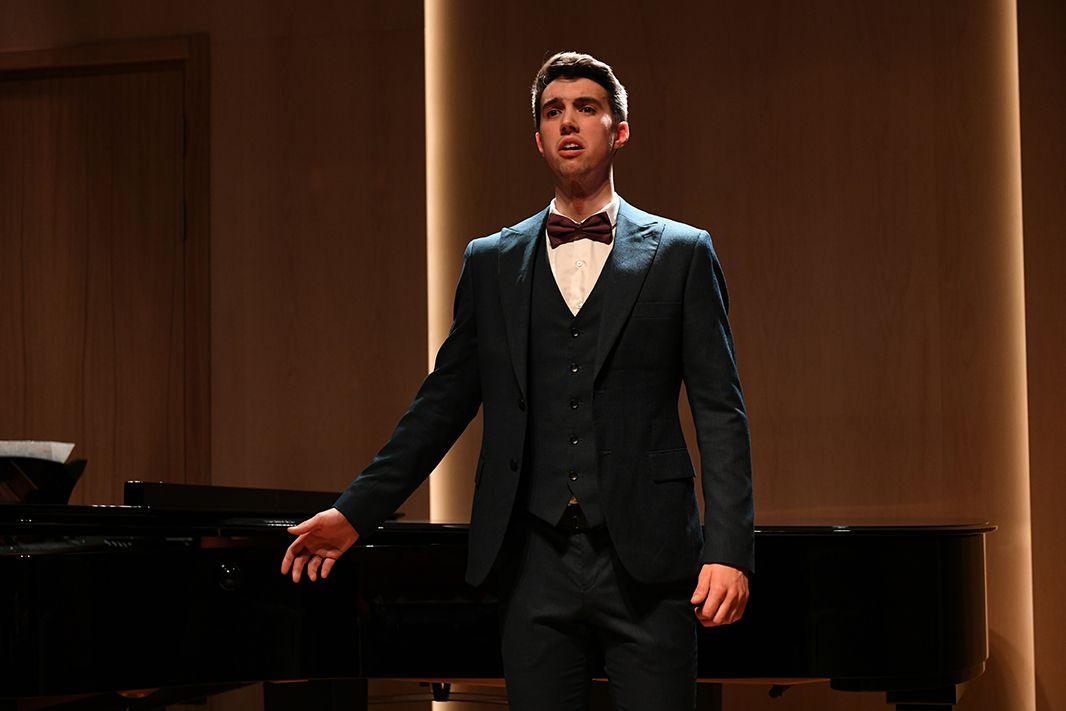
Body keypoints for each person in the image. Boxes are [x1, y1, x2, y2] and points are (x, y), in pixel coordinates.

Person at [281, 51, 753, 711]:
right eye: (553, 112)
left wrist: (729, 550)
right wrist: (356, 511)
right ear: (538, 139)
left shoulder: (681, 253)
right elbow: (440, 407)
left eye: (586, 108)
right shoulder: (491, 261)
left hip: (648, 559)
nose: (568, 122)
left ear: (619, 130)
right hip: (532, 560)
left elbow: (720, 412)